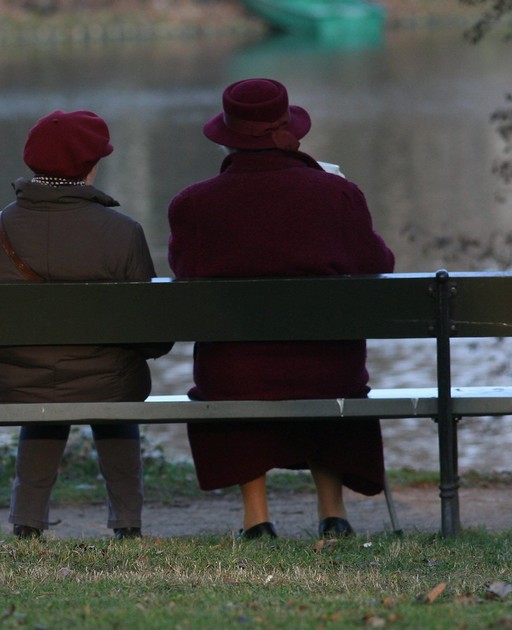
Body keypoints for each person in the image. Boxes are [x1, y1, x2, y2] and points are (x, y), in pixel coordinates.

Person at [166, 78, 396, 540]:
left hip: (235, 377)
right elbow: (378, 264)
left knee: (236, 366)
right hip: (329, 370)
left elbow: (183, 271)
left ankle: (257, 520)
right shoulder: (337, 194)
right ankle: (333, 514)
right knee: (327, 363)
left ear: (229, 135)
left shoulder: (192, 204)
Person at [0, 110, 172, 540]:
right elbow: (154, 337)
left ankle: (26, 522)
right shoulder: (123, 232)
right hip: (108, 383)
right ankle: (128, 523)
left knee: (46, 380)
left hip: (16, 382)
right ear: (90, 166)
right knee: (110, 380)